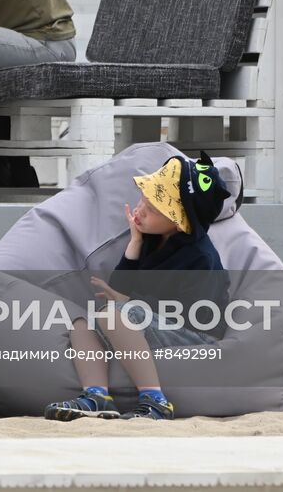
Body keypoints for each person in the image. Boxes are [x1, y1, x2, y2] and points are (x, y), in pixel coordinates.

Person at [44, 151, 230, 422]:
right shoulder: (152, 240)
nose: (140, 210)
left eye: (152, 208)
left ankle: (155, 399)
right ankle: (96, 395)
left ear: (179, 221)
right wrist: (134, 245)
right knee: (82, 323)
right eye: (143, 199)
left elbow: (194, 313)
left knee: (112, 314)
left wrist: (130, 302)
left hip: (195, 332)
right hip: (149, 321)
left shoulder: (200, 257)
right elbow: (119, 291)